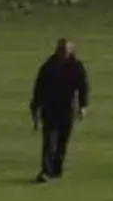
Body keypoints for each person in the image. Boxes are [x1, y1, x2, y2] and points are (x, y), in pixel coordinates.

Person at [29, 37, 89, 182]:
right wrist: (35, 109)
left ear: (71, 51)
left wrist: (83, 106)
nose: (62, 53)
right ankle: (46, 171)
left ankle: (56, 170)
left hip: (67, 109)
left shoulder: (76, 67)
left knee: (62, 141)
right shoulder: (48, 66)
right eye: (60, 50)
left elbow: (83, 87)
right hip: (50, 108)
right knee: (49, 140)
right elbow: (39, 88)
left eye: (65, 51)